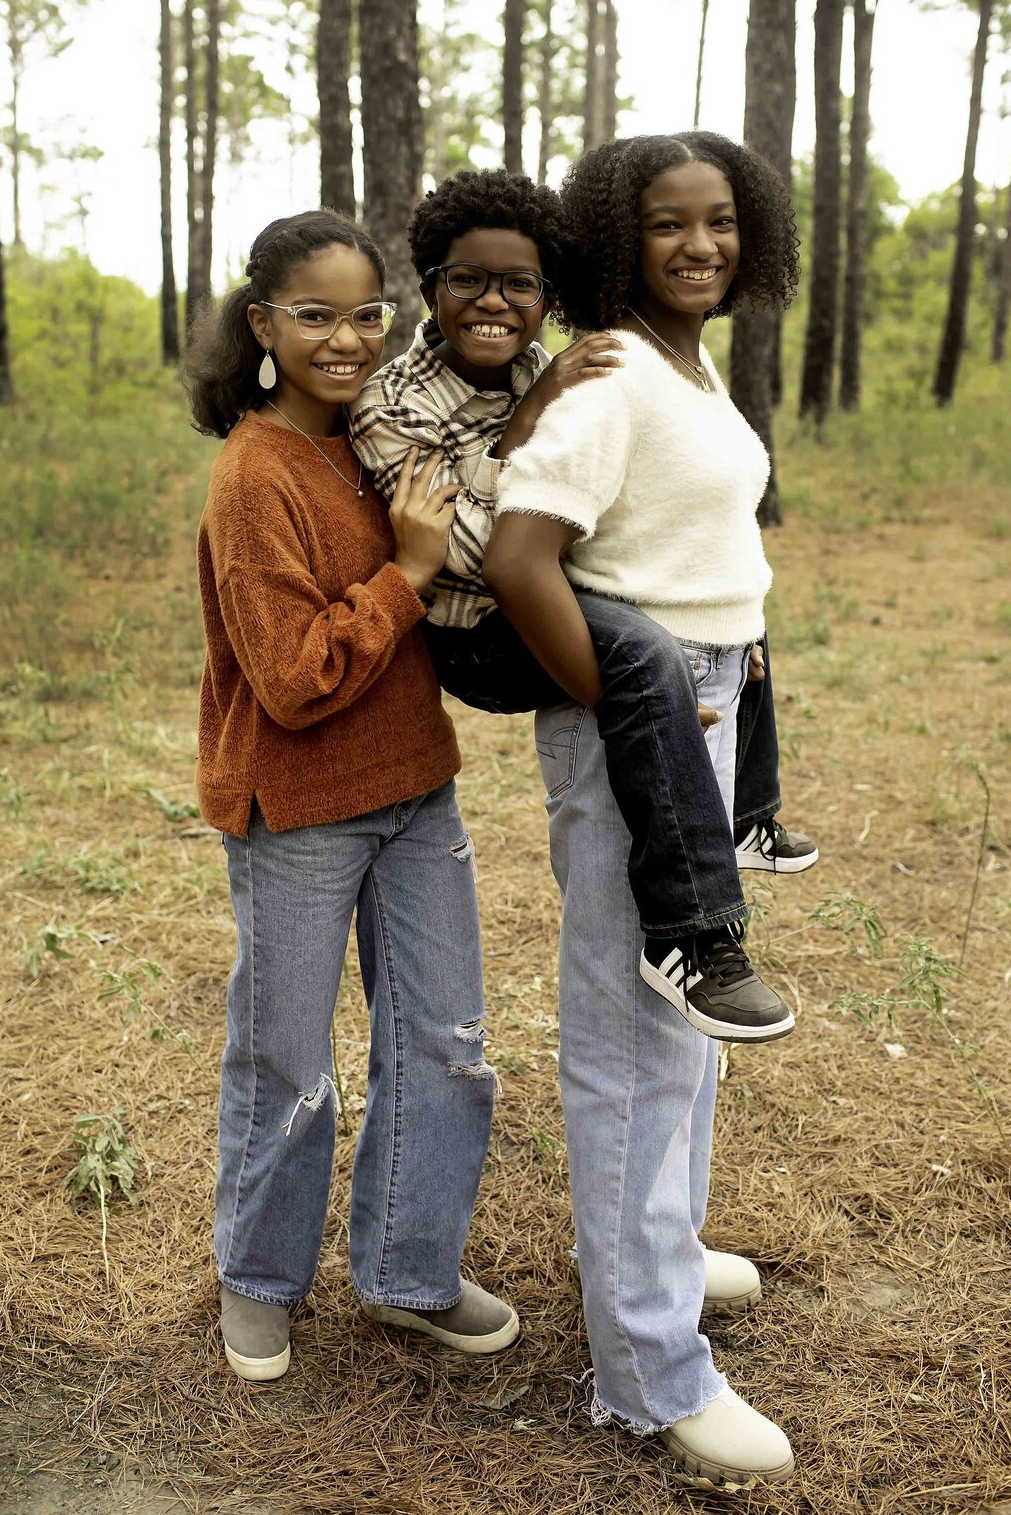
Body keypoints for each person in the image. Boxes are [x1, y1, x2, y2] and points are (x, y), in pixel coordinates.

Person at [481, 133, 800, 1487]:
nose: (701, 246)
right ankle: (651, 1369)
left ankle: (658, 1256)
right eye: (669, 226)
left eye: (721, 222)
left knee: (687, 1038)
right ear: (620, 237)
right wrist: (618, 709)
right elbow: (518, 555)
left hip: (704, 706)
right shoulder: (610, 371)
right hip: (644, 725)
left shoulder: (684, 355)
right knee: (634, 1041)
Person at [350, 168, 804, 1043]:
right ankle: (695, 937)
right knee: (644, 657)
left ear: (548, 295)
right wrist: (529, 423)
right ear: (430, 285)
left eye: (520, 285)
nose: (495, 302)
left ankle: (750, 817)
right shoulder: (393, 401)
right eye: (468, 280)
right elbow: (468, 551)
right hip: (475, 634)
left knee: (727, 608)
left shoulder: (547, 365)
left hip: (536, 599)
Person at [186, 210, 518, 1383]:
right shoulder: (253, 474)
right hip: (300, 809)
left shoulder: (385, 441)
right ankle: (259, 1281)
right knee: (290, 1061)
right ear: (263, 322)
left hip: (417, 792)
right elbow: (291, 678)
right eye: (315, 315)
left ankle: (407, 1272)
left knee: (445, 1044)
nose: (347, 338)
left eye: (367, 312)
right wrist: (408, 573)